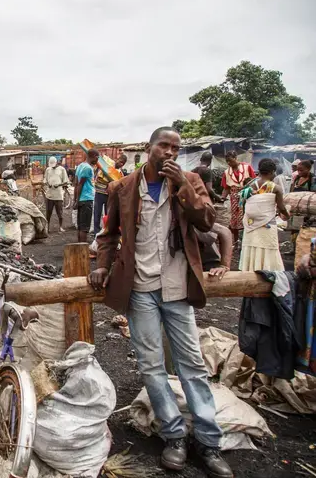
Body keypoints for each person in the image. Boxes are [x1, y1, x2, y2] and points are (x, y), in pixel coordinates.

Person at [88, 127, 232, 477]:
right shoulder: (122, 187)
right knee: (151, 365)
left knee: (192, 365)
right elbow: (108, 236)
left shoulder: (191, 180)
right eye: (163, 145)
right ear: (148, 149)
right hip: (140, 289)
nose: (169, 152)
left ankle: (209, 442)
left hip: (177, 287)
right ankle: (174, 436)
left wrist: (183, 185)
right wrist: (103, 267)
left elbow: (208, 220)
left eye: (175, 148)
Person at [238, 158, 289, 272]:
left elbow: (244, 204)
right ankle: (268, 272)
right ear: (271, 172)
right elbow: (281, 207)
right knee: (268, 246)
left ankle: (249, 271)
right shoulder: (275, 188)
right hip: (267, 224)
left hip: (251, 223)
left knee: (251, 245)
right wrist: (287, 215)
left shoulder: (250, 186)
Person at [221, 150, 255, 244]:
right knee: (234, 219)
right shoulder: (227, 172)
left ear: (236, 158)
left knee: (246, 216)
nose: (229, 163)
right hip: (234, 198)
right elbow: (226, 188)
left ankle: (247, 240)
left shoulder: (247, 167)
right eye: (227, 161)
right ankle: (236, 241)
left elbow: (253, 182)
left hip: (246, 196)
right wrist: (222, 198)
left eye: (230, 160)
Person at [71, 149, 99, 243]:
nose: (97, 160)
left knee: (80, 227)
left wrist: (75, 200)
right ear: (94, 156)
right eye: (97, 157)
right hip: (86, 200)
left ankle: (80, 250)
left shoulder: (80, 166)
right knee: (84, 228)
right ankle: (83, 250)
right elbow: (80, 184)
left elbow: (75, 183)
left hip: (81, 200)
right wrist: (77, 200)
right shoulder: (87, 168)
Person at [44, 156, 68, 233]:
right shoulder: (48, 169)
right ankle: (47, 227)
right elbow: (45, 179)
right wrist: (48, 184)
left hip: (58, 194)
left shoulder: (62, 169)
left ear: (57, 162)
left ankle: (60, 227)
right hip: (49, 194)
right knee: (48, 212)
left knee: (59, 212)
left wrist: (59, 184)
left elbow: (65, 181)